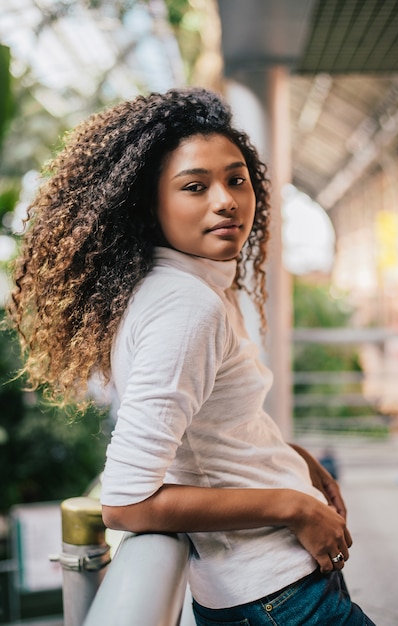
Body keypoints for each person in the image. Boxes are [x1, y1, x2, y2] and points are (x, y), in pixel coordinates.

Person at [8, 87, 375, 625]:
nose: (225, 200)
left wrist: (293, 459)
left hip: (269, 589)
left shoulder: (180, 287)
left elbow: (200, 433)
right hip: (279, 598)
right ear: (150, 205)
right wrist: (290, 504)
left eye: (236, 179)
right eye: (195, 187)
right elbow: (126, 503)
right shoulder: (186, 308)